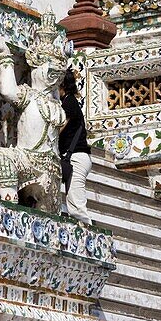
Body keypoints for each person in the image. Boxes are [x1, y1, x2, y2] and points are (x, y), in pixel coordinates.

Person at [59, 70, 92, 225]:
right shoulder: (70, 101)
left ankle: (89, 234)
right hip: (78, 156)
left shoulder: (69, 103)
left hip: (76, 157)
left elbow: (59, 128)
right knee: (73, 200)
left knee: (76, 204)